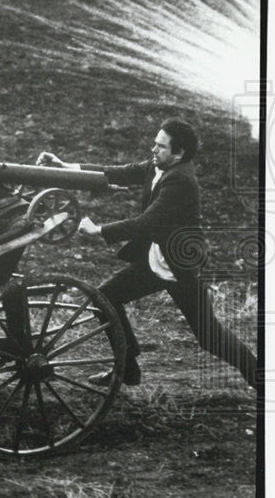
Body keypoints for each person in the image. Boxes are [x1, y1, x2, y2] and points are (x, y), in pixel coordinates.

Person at [37, 120, 257, 389]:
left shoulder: (181, 181)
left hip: (179, 266)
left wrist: (98, 230)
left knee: (209, 337)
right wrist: (67, 167)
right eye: (155, 142)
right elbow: (117, 172)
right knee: (105, 297)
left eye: (160, 146)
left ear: (179, 154)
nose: (153, 149)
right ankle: (127, 368)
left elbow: (145, 223)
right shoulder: (159, 165)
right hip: (156, 259)